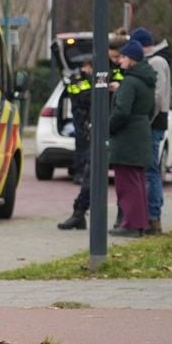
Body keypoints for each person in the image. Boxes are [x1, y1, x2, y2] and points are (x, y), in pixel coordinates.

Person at [57, 41, 120, 230]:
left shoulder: (118, 72)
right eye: (114, 56)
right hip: (91, 124)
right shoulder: (94, 74)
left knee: (122, 177)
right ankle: (79, 212)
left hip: (115, 128)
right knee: (90, 171)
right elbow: (83, 96)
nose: (117, 60)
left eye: (119, 56)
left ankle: (124, 217)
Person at [107, 38, 156, 237]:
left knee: (126, 185)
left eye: (123, 57)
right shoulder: (147, 81)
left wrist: (107, 128)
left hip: (127, 140)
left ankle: (131, 225)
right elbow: (150, 109)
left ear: (132, 59)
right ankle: (140, 223)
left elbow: (121, 112)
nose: (120, 61)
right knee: (138, 182)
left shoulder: (129, 82)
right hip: (141, 135)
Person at [128, 27, 171, 234]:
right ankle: (151, 216)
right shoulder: (156, 61)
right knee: (149, 170)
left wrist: (146, 119)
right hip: (154, 122)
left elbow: (157, 95)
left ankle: (153, 217)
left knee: (151, 170)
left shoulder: (156, 62)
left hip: (153, 123)